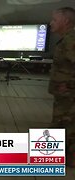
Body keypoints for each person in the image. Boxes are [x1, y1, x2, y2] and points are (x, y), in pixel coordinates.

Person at [48, 7, 75, 167]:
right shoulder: (66, 39)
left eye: (55, 20)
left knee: (68, 129)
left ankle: (67, 161)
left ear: (66, 21)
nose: (51, 23)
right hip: (63, 97)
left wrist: (70, 85)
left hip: (70, 97)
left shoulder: (71, 41)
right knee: (61, 126)